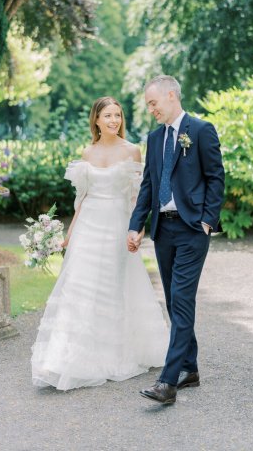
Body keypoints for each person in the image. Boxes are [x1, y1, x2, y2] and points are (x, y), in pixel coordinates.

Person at [31, 96, 169, 391]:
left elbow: (137, 196)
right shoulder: (87, 151)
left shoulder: (132, 150)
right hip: (88, 227)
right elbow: (82, 198)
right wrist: (68, 234)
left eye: (117, 116)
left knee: (112, 286)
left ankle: (113, 352)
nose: (114, 121)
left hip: (117, 224)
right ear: (96, 120)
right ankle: (64, 358)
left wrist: (137, 228)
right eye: (108, 116)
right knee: (78, 286)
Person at [127, 75, 225, 404]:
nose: (151, 109)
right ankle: (191, 368)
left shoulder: (200, 130)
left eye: (153, 103)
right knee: (172, 301)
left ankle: (168, 382)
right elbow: (148, 185)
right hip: (163, 231)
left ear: (171, 96)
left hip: (192, 229)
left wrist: (207, 221)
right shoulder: (154, 139)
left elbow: (216, 178)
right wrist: (135, 224)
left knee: (181, 300)